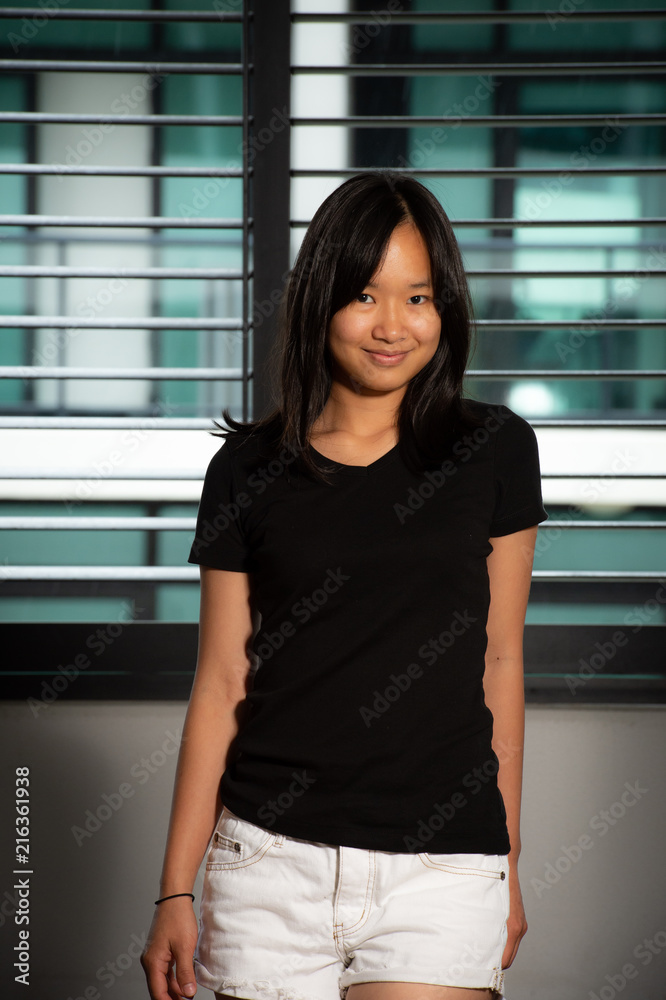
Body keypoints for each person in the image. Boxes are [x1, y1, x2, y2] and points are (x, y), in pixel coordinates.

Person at [141, 170, 548, 1000]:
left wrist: (504, 863)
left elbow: (501, 661)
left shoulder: (496, 449)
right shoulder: (247, 470)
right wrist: (175, 888)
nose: (393, 325)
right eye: (364, 295)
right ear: (319, 300)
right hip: (266, 865)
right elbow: (221, 683)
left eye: (419, 297)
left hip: (442, 864)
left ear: (447, 309)